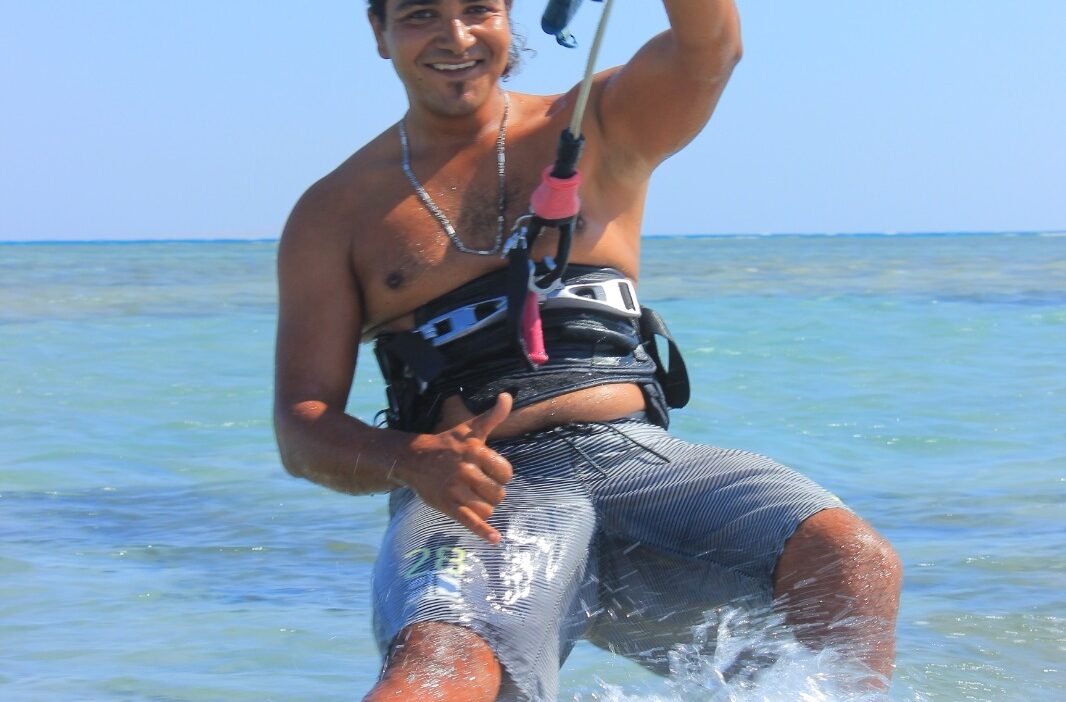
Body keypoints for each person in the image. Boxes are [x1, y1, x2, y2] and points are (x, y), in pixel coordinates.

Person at [273, 1, 903, 699]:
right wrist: (411, 460)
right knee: (435, 675)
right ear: (380, 33)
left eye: (477, 9)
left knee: (849, 556)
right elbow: (301, 428)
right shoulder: (334, 214)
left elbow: (713, 47)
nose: (456, 37)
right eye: (422, 14)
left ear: (508, 19)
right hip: (480, 492)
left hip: (641, 460)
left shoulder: (595, 122)